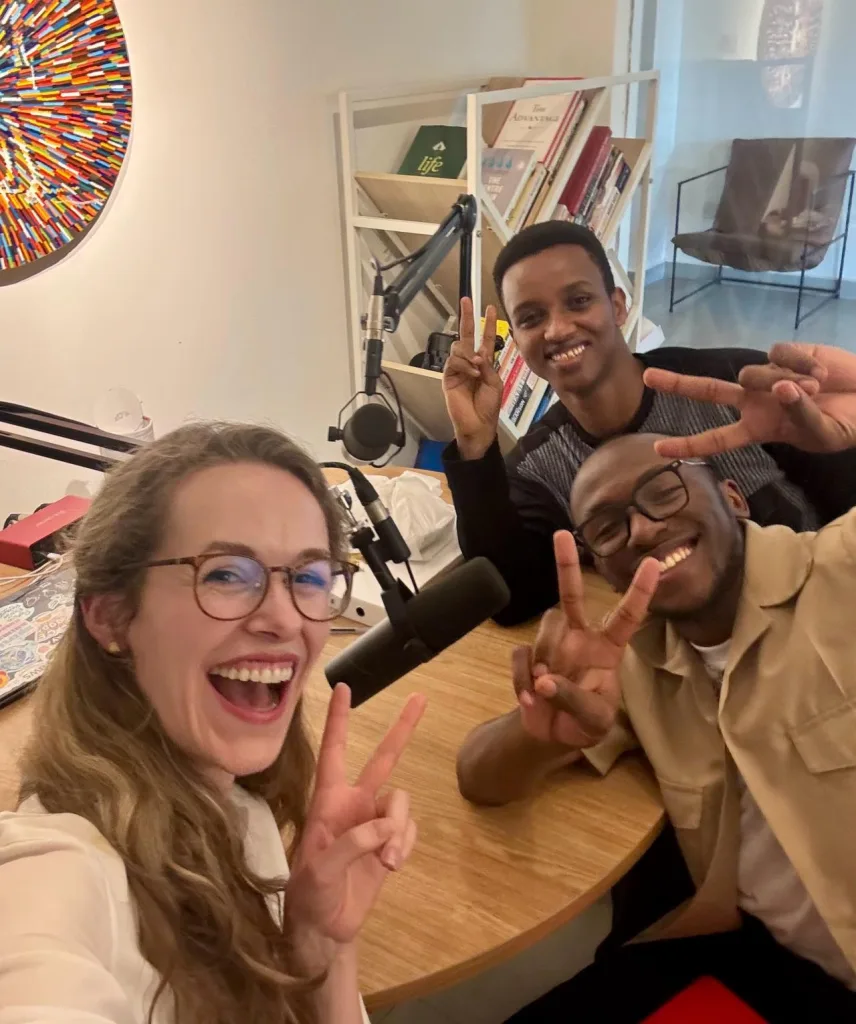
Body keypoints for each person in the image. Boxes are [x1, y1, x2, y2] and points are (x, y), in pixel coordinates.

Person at [457, 342, 856, 1022]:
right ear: (600, 567)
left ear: (733, 498)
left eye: (664, 490)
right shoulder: (634, 662)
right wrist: (534, 732)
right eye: (608, 528)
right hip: (763, 962)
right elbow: (478, 777)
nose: (641, 529)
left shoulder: (840, 569)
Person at [0, 422, 425, 1024]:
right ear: (111, 616)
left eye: (307, 577)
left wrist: (320, 949)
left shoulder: (243, 815)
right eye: (226, 574)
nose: (283, 617)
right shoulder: (53, 877)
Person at [441, 221, 856, 627]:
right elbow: (515, 599)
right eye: (531, 318)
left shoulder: (732, 383)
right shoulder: (538, 468)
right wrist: (475, 447)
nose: (559, 328)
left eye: (579, 301)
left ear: (618, 306)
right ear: (515, 340)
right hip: (692, 661)